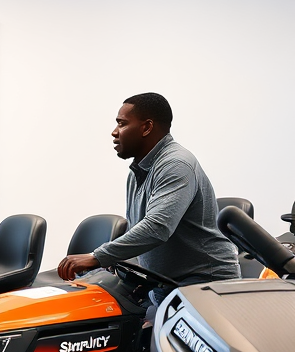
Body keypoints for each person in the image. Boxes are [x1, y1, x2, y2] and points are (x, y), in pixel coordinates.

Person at [57, 92, 239, 294]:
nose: (114, 132)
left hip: (203, 284)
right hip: (165, 282)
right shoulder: (139, 170)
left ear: (147, 127)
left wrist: (98, 256)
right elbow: (139, 228)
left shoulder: (176, 164)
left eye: (122, 124)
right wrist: (118, 261)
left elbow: (157, 227)